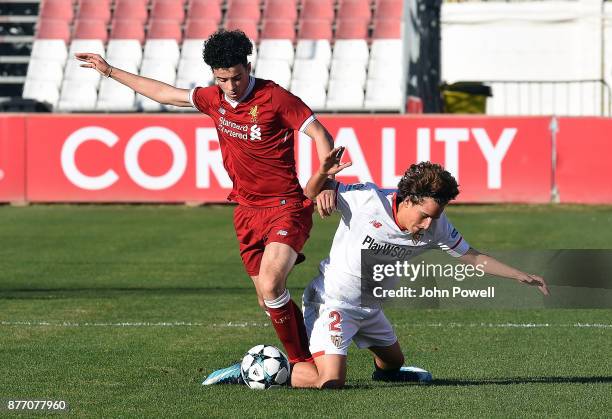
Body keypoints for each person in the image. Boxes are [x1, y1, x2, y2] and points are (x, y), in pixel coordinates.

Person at [76, 30, 344, 380]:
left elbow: (320, 134)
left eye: (236, 76)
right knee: (267, 300)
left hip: (285, 206)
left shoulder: (275, 97)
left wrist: (324, 182)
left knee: (270, 285)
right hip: (246, 212)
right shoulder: (212, 98)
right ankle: (304, 355)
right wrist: (110, 71)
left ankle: (296, 365)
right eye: (222, 79)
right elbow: (164, 93)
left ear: (249, 67)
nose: (231, 85)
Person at [287, 155, 550, 388]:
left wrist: (520, 275)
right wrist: (324, 182)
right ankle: (265, 370)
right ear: (407, 200)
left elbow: (472, 256)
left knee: (393, 363)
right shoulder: (366, 199)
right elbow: (311, 191)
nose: (427, 225)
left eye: (434, 218)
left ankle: (385, 374)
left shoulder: (436, 225)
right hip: (333, 302)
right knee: (330, 380)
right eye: (424, 215)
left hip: (369, 308)